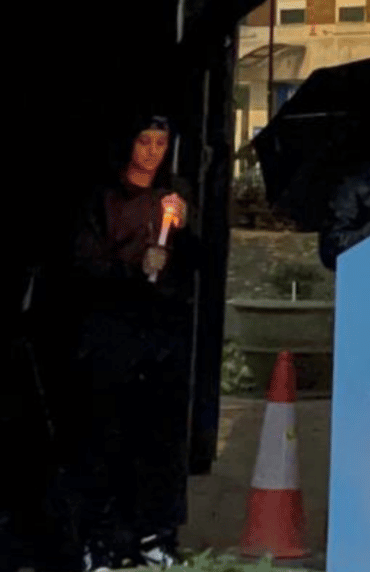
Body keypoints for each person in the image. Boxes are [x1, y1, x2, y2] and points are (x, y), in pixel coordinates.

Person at [62, 114, 197, 570]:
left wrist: (183, 232)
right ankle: (98, 542)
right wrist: (135, 268)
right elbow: (84, 264)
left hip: (158, 339)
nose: (153, 151)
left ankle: (152, 535)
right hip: (110, 336)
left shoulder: (171, 199)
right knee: (105, 442)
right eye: (145, 141)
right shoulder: (104, 200)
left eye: (161, 142)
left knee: (156, 442)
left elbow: (193, 267)